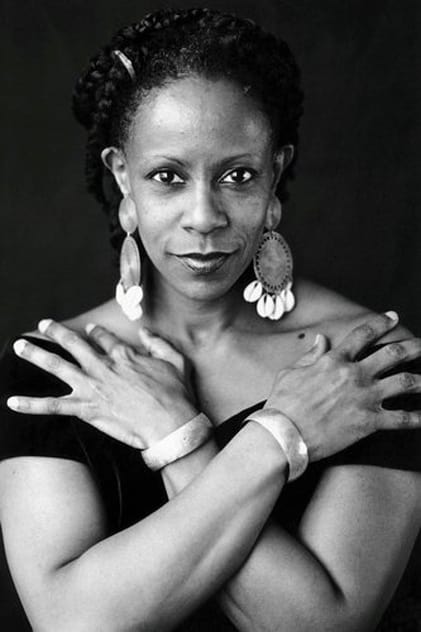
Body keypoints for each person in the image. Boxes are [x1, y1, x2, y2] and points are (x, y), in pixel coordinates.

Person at [0, 7, 420, 631]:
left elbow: (320, 626)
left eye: (238, 176)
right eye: (167, 177)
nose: (204, 217)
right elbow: (74, 624)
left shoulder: (366, 364)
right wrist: (281, 433)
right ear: (123, 177)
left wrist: (176, 438)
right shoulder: (57, 371)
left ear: (275, 174)